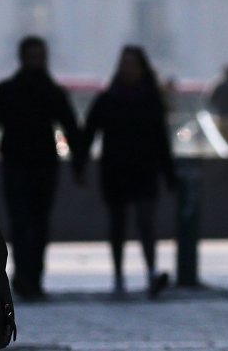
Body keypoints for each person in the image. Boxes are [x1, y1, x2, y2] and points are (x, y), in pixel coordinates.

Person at [72, 45, 176, 298]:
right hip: (115, 169)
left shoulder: (151, 100)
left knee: (145, 221)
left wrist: (169, 173)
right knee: (117, 224)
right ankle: (118, 276)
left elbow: (162, 139)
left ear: (142, 68)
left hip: (144, 169)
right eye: (125, 63)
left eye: (132, 63)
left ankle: (151, 272)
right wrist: (80, 163)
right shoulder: (108, 98)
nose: (128, 68)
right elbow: (89, 132)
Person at [0, 36, 81, 300]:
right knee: (28, 222)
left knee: (29, 223)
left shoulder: (10, 89)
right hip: (31, 163)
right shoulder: (50, 90)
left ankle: (27, 276)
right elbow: (71, 128)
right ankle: (28, 276)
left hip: (27, 163)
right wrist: (79, 163)